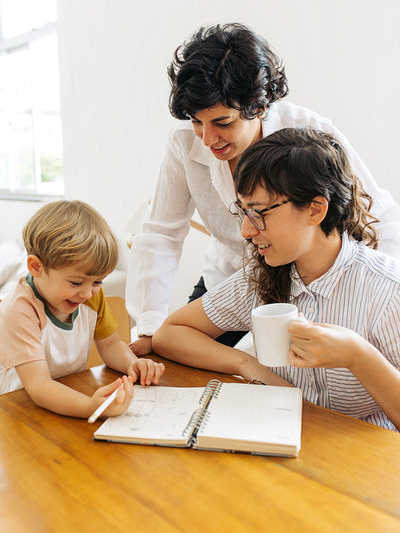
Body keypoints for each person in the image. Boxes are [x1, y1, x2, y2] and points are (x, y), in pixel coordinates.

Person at [126, 22, 400, 357]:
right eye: (197, 122)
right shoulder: (184, 144)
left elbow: (375, 215)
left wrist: (372, 295)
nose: (208, 138)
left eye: (223, 123)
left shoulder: (307, 134)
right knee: (180, 360)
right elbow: (161, 235)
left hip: (309, 282)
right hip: (233, 280)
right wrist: (148, 324)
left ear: (259, 106)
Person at [152, 128, 400, 432]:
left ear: (315, 209)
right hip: (283, 444)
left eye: (258, 213)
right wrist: (246, 364)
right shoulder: (263, 276)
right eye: (243, 212)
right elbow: (170, 333)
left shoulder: (388, 292)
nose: (245, 230)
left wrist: (358, 356)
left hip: (364, 460)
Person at [0, 200, 165, 418]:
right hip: (20, 409)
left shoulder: (88, 296)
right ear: (36, 267)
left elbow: (111, 344)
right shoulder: (20, 309)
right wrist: (89, 407)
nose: (87, 294)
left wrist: (133, 364)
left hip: (66, 397)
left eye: (97, 282)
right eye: (76, 283)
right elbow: (39, 385)